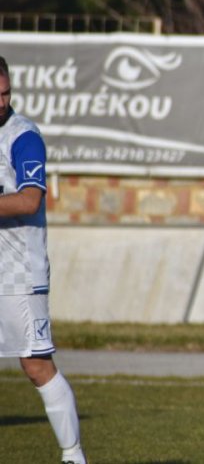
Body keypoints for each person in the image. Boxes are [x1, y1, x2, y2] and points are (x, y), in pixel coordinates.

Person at [0, 56, 87, 464]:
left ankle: (73, 456)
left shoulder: (24, 137)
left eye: (5, 93)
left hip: (18, 272)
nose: (1, 102)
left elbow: (29, 198)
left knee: (35, 365)